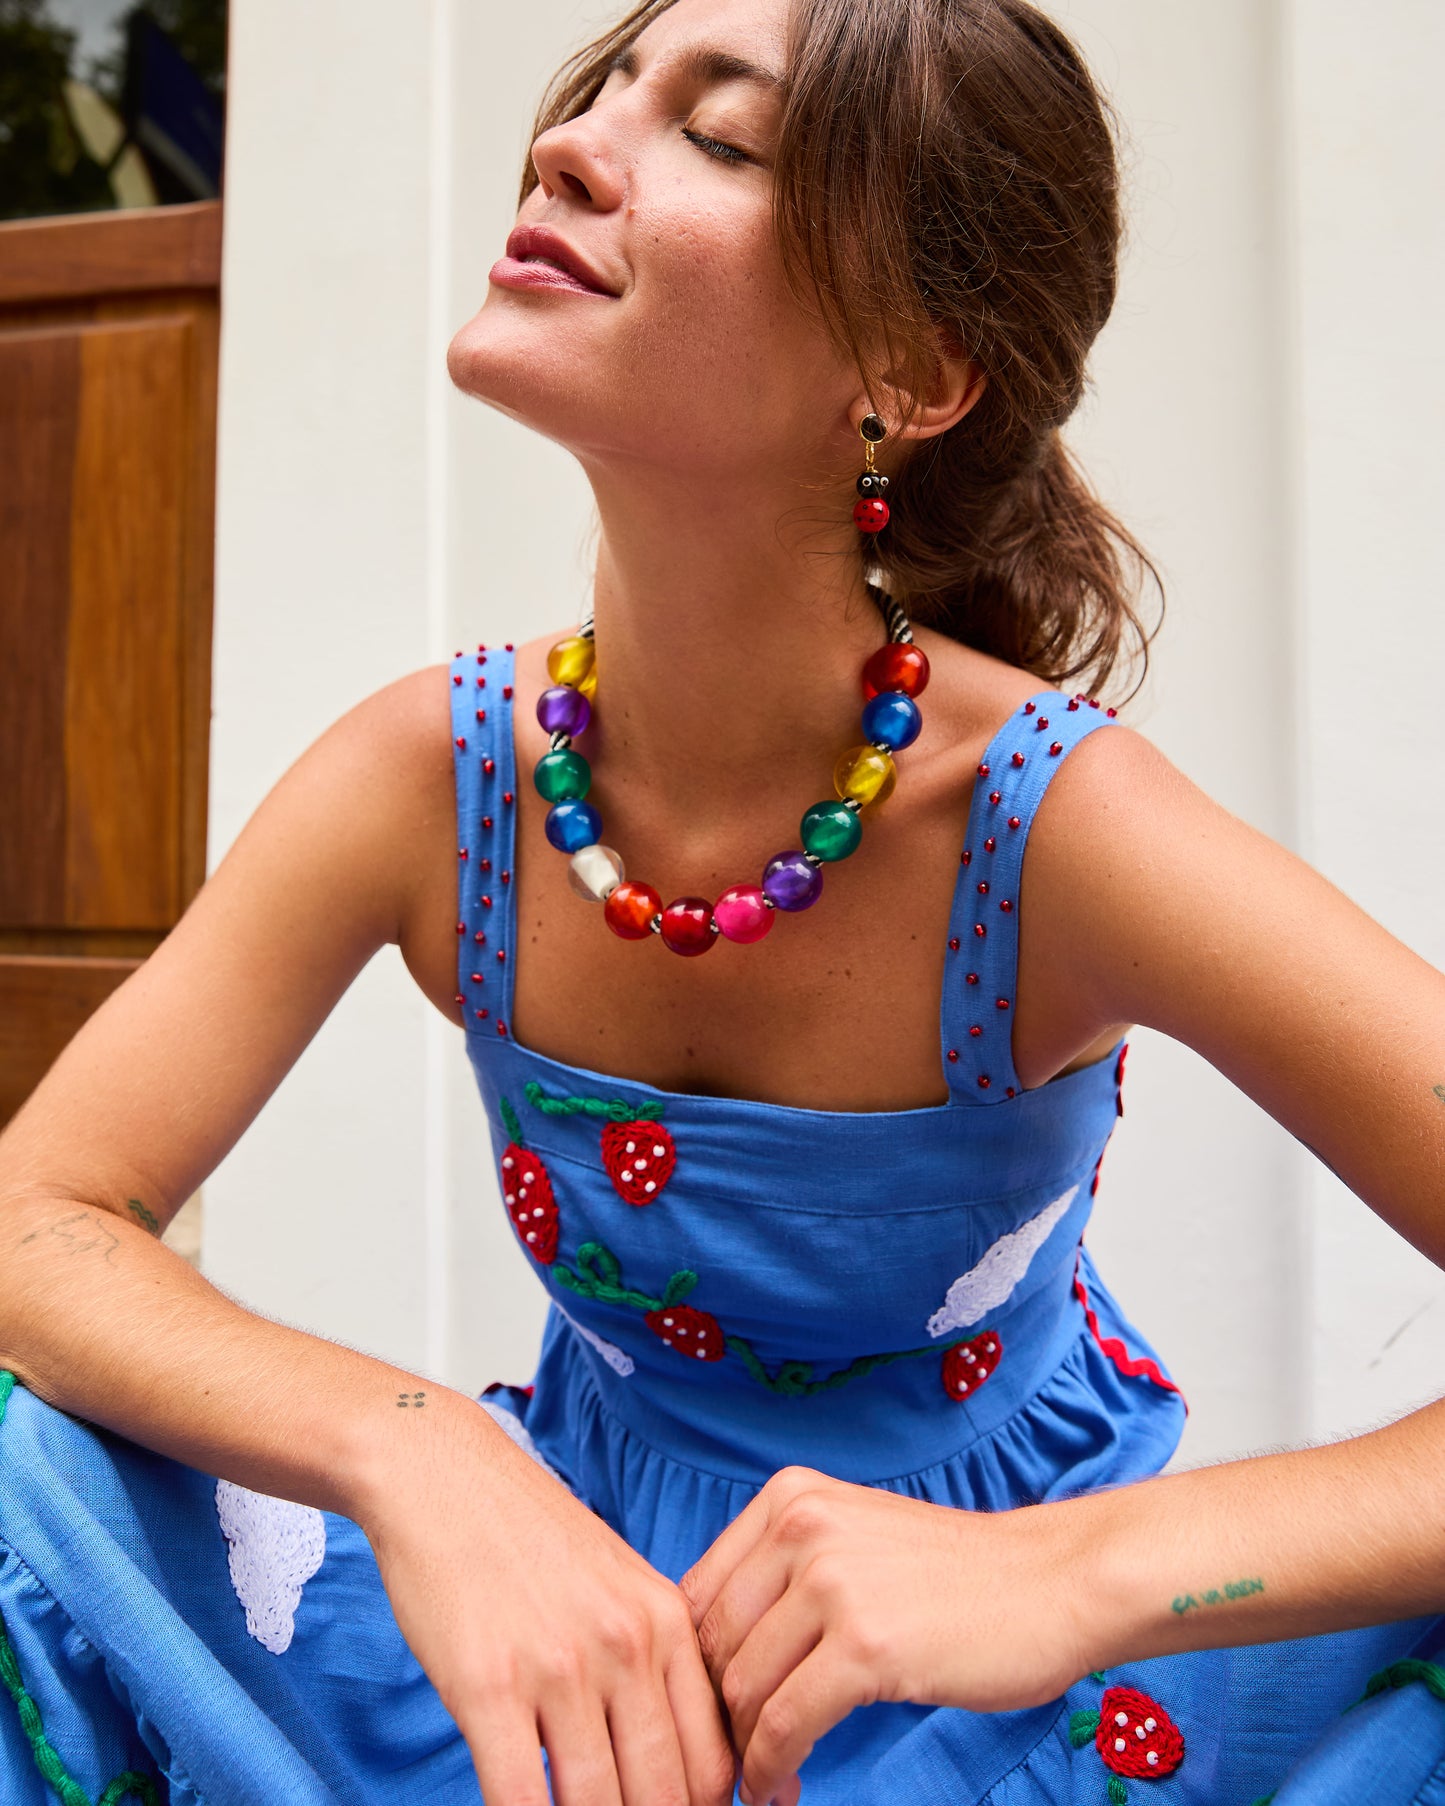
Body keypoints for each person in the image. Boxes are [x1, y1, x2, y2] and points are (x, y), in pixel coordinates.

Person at [2, 0, 1443, 1802]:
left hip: (995, 1689)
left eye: (716, 133)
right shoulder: (437, 776)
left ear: (907, 370)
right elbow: (38, 1215)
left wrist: (1065, 1575)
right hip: (552, 1635)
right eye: (605, 87)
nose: (568, 144)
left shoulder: (1049, 826)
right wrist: (416, 1446)